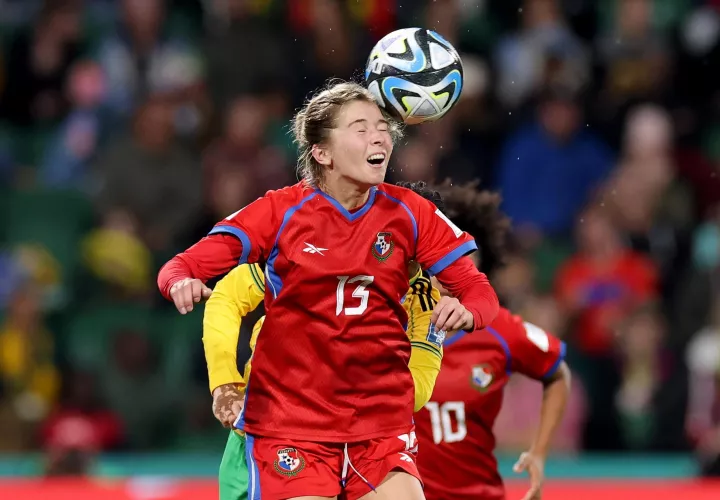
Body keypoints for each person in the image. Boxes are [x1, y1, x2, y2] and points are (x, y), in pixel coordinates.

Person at [157, 81, 500, 500]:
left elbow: (479, 292)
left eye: (381, 127)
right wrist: (181, 284)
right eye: (360, 128)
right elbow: (183, 266)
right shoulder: (279, 213)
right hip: (290, 425)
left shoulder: (412, 216)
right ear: (322, 152)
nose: (379, 137)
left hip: (380, 428)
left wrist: (469, 312)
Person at [205, 259, 443, 500]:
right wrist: (224, 382)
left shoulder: (423, 300)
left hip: (368, 438)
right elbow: (228, 296)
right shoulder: (314, 244)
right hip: (277, 431)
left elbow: (417, 392)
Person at [399, 181, 571, 500]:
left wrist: (539, 452)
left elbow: (558, 372)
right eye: (439, 257)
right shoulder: (384, 323)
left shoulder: (499, 330)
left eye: (461, 258)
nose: (447, 268)